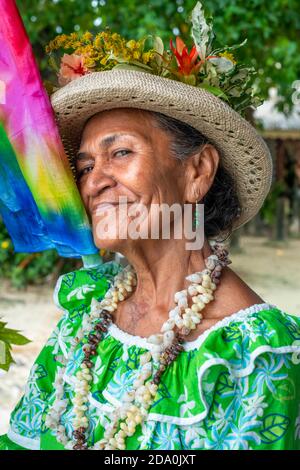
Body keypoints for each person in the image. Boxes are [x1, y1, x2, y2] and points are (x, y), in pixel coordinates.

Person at [1, 2, 300, 451]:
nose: (94, 181)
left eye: (120, 152)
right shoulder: (85, 318)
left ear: (197, 170)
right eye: (83, 167)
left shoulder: (257, 356)